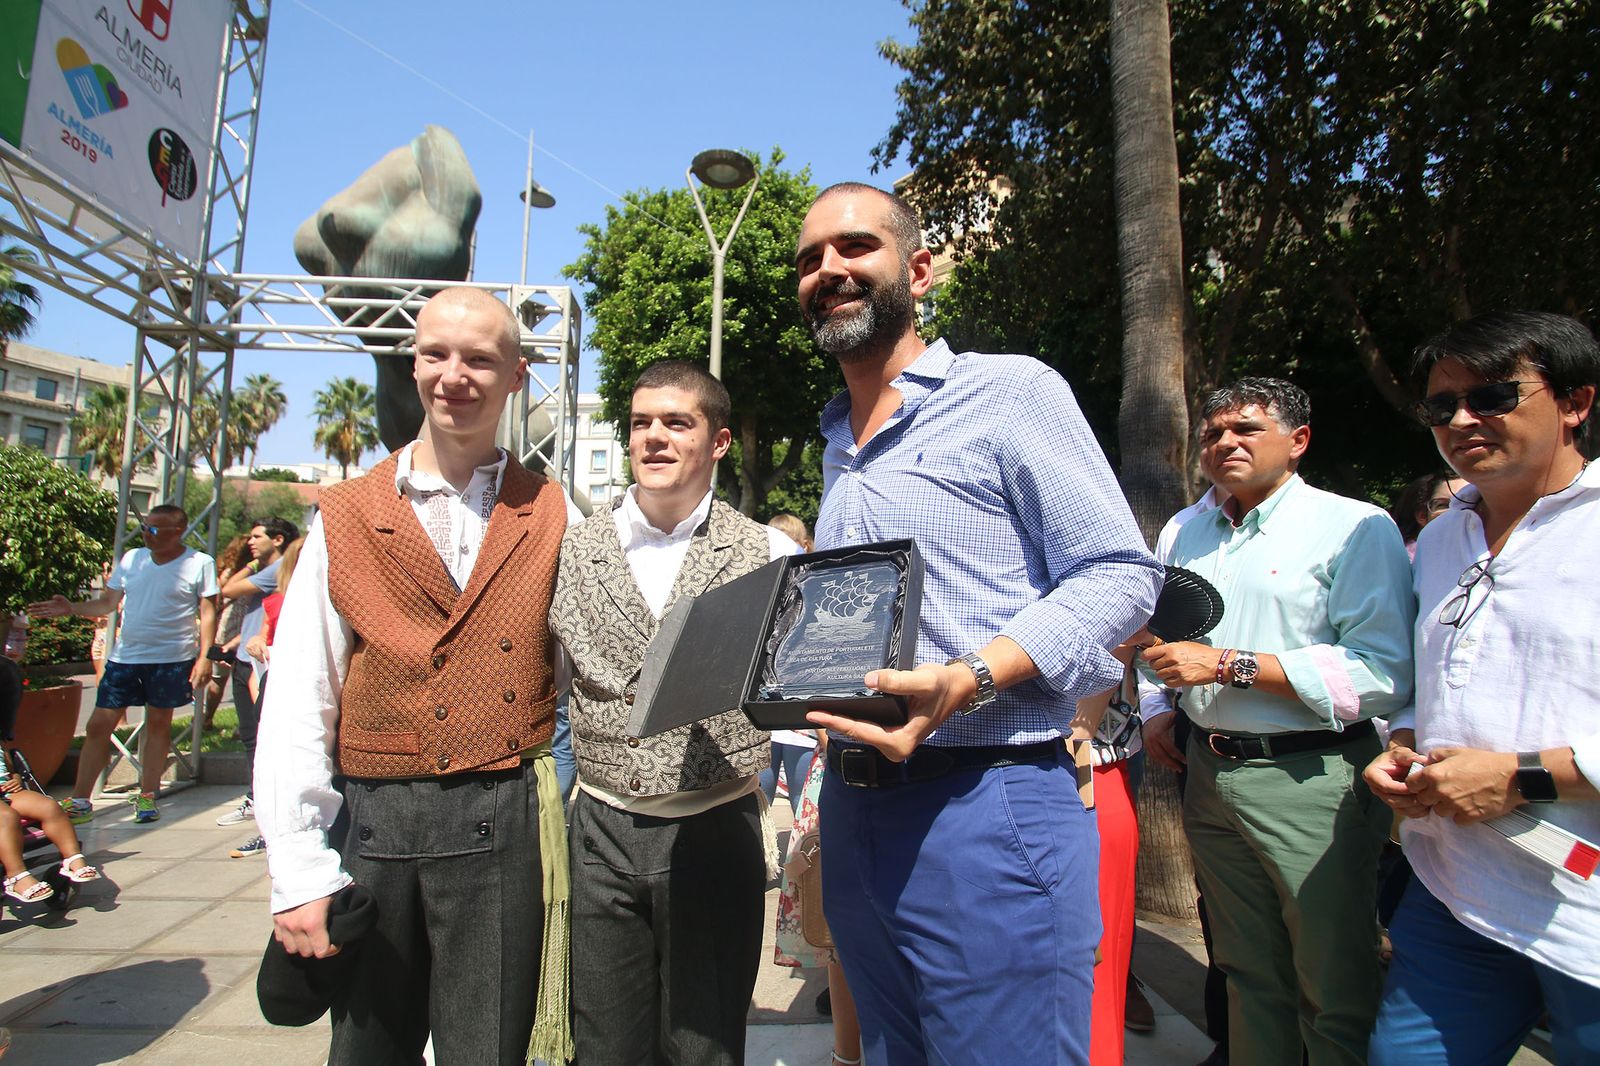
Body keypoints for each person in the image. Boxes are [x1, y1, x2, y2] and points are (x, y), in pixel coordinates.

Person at [793, 182, 1163, 1065]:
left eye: (853, 248)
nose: (828, 271)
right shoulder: (835, 439)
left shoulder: (1008, 392)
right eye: (809, 260)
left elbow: (1121, 575)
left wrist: (969, 675)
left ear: (917, 271)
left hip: (989, 801)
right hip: (855, 811)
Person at [253, 286, 579, 1065]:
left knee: (490, 1053)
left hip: (504, 823)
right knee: (367, 1051)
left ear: (517, 377)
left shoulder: (556, 511)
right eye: (436, 354)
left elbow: (581, 674)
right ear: (414, 362)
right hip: (374, 824)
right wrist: (297, 869)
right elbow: (301, 695)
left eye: (480, 359)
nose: (454, 375)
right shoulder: (343, 512)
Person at [1140, 377, 1416, 1065]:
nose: (1224, 442)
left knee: (1332, 979)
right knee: (1246, 973)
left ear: (1298, 442)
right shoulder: (1186, 530)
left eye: (1245, 430)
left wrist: (1229, 666)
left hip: (1311, 780)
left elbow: (1381, 673)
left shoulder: (1354, 526)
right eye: (1212, 432)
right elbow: (1166, 641)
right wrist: (1153, 702)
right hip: (1208, 772)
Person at [1363, 311, 1600, 1065]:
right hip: (1457, 889)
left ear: (1575, 402)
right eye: (1442, 406)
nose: (1463, 420)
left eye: (1494, 395)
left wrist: (1519, 777)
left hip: (1585, 907)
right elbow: (1425, 682)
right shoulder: (1440, 537)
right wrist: (1401, 743)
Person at [548, 360, 799, 1065]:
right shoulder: (571, 548)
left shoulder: (769, 552)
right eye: (640, 423)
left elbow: (795, 690)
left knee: (706, 1049)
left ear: (718, 442)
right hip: (600, 830)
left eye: (676, 422)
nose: (653, 437)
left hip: (716, 829)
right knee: (604, 1048)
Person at [30, 503, 218, 826]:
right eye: (145, 527)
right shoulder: (132, 559)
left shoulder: (200, 563)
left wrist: (205, 657)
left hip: (172, 658)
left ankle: (147, 797)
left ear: (178, 532)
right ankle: (80, 801)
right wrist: (71, 607)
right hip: (126, 657)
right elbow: (107, 602)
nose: (147, 534)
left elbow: (209, 612)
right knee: (98, 726)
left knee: (159, 725)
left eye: (155, 530)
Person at [215, 516, 298, 848]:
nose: (250, 541)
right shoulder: (276, 581)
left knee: (264, 740)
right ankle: (259, 802)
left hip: (265, 665)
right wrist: (239, 642)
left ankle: (266, 812)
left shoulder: (274, 574)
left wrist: (250, 565)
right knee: (253, 738)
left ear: (278, 541)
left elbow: (228, 589)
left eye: (257, 536)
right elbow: (263, 619)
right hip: (249, 657)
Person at [763, 512, 818, 814]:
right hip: (778, 719)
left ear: (804, 546)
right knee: (775, 797)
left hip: (797, 720)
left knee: (796, 797)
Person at [1389, 471, 1468, 558]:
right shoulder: (1406, 563)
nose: (1456, 511)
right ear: (1422, 516)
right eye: (1443, 505)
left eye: (1468, 502)